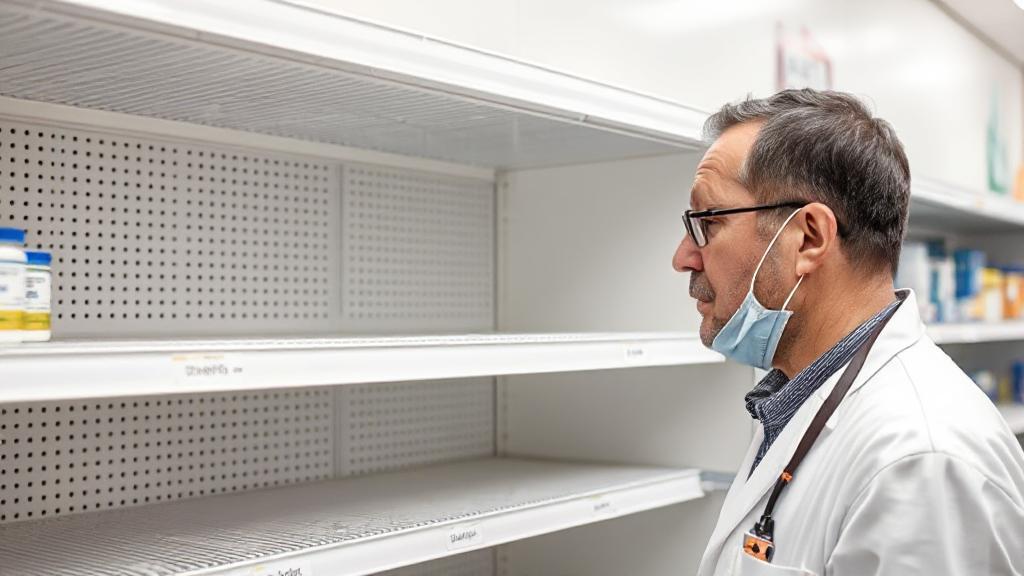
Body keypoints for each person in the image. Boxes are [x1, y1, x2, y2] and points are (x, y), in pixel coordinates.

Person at [672, 89, 1024, 575]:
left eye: (705, 223)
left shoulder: (923, 459)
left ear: (809, 238)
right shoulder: (796, 398)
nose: (683, 258)